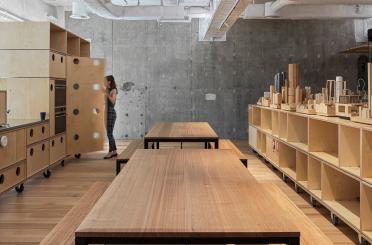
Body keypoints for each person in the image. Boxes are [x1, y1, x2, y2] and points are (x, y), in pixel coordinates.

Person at [103, 75, 118, 159]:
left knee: (109, 133)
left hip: (111, 113)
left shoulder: (113, 90)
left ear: (109, 82)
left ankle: (110, 152)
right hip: (106, 112)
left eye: (105, 81)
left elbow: (113, 102)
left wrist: (106, 93)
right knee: (109, 133)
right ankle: (114, 151)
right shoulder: (107, 90)